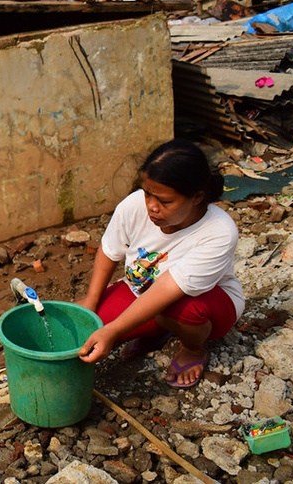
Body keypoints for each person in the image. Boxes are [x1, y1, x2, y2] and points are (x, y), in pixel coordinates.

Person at [76, 139, 244, 388]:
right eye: (147, 194)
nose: (151, 207)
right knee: (85, 328)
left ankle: (193, 348)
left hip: (204, 305)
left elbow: (167, 288)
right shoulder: (134, 205)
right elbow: (110, 250)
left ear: (197, 197)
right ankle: (155, 330)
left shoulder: (219, 231)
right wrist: (90, 303)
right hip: (141, 292)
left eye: (165, 202)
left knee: (179, 309)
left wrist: (114, 331)